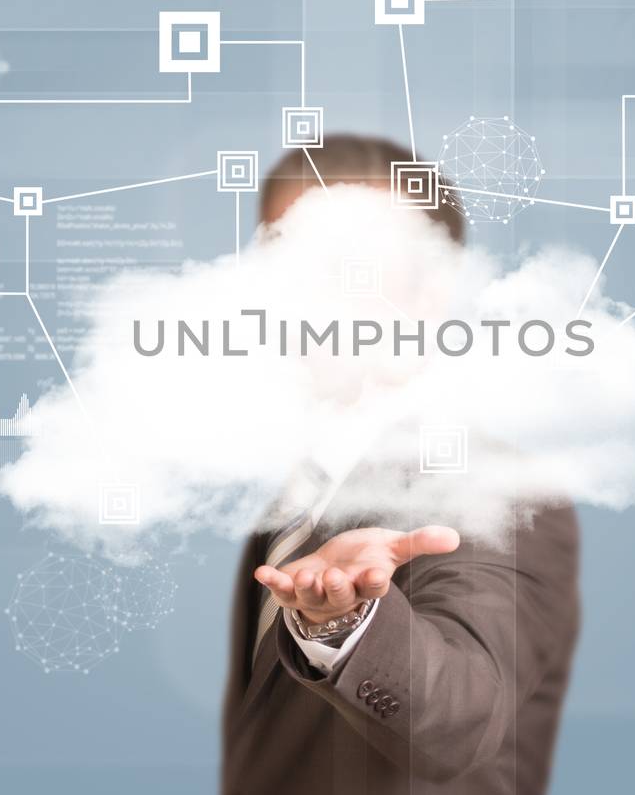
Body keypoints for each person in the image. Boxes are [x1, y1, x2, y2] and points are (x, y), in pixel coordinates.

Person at [220, 135, 582, 794]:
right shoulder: (299, 504)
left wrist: (347, 622)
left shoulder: (495, 490)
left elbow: (464, 717)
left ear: (430, 292)